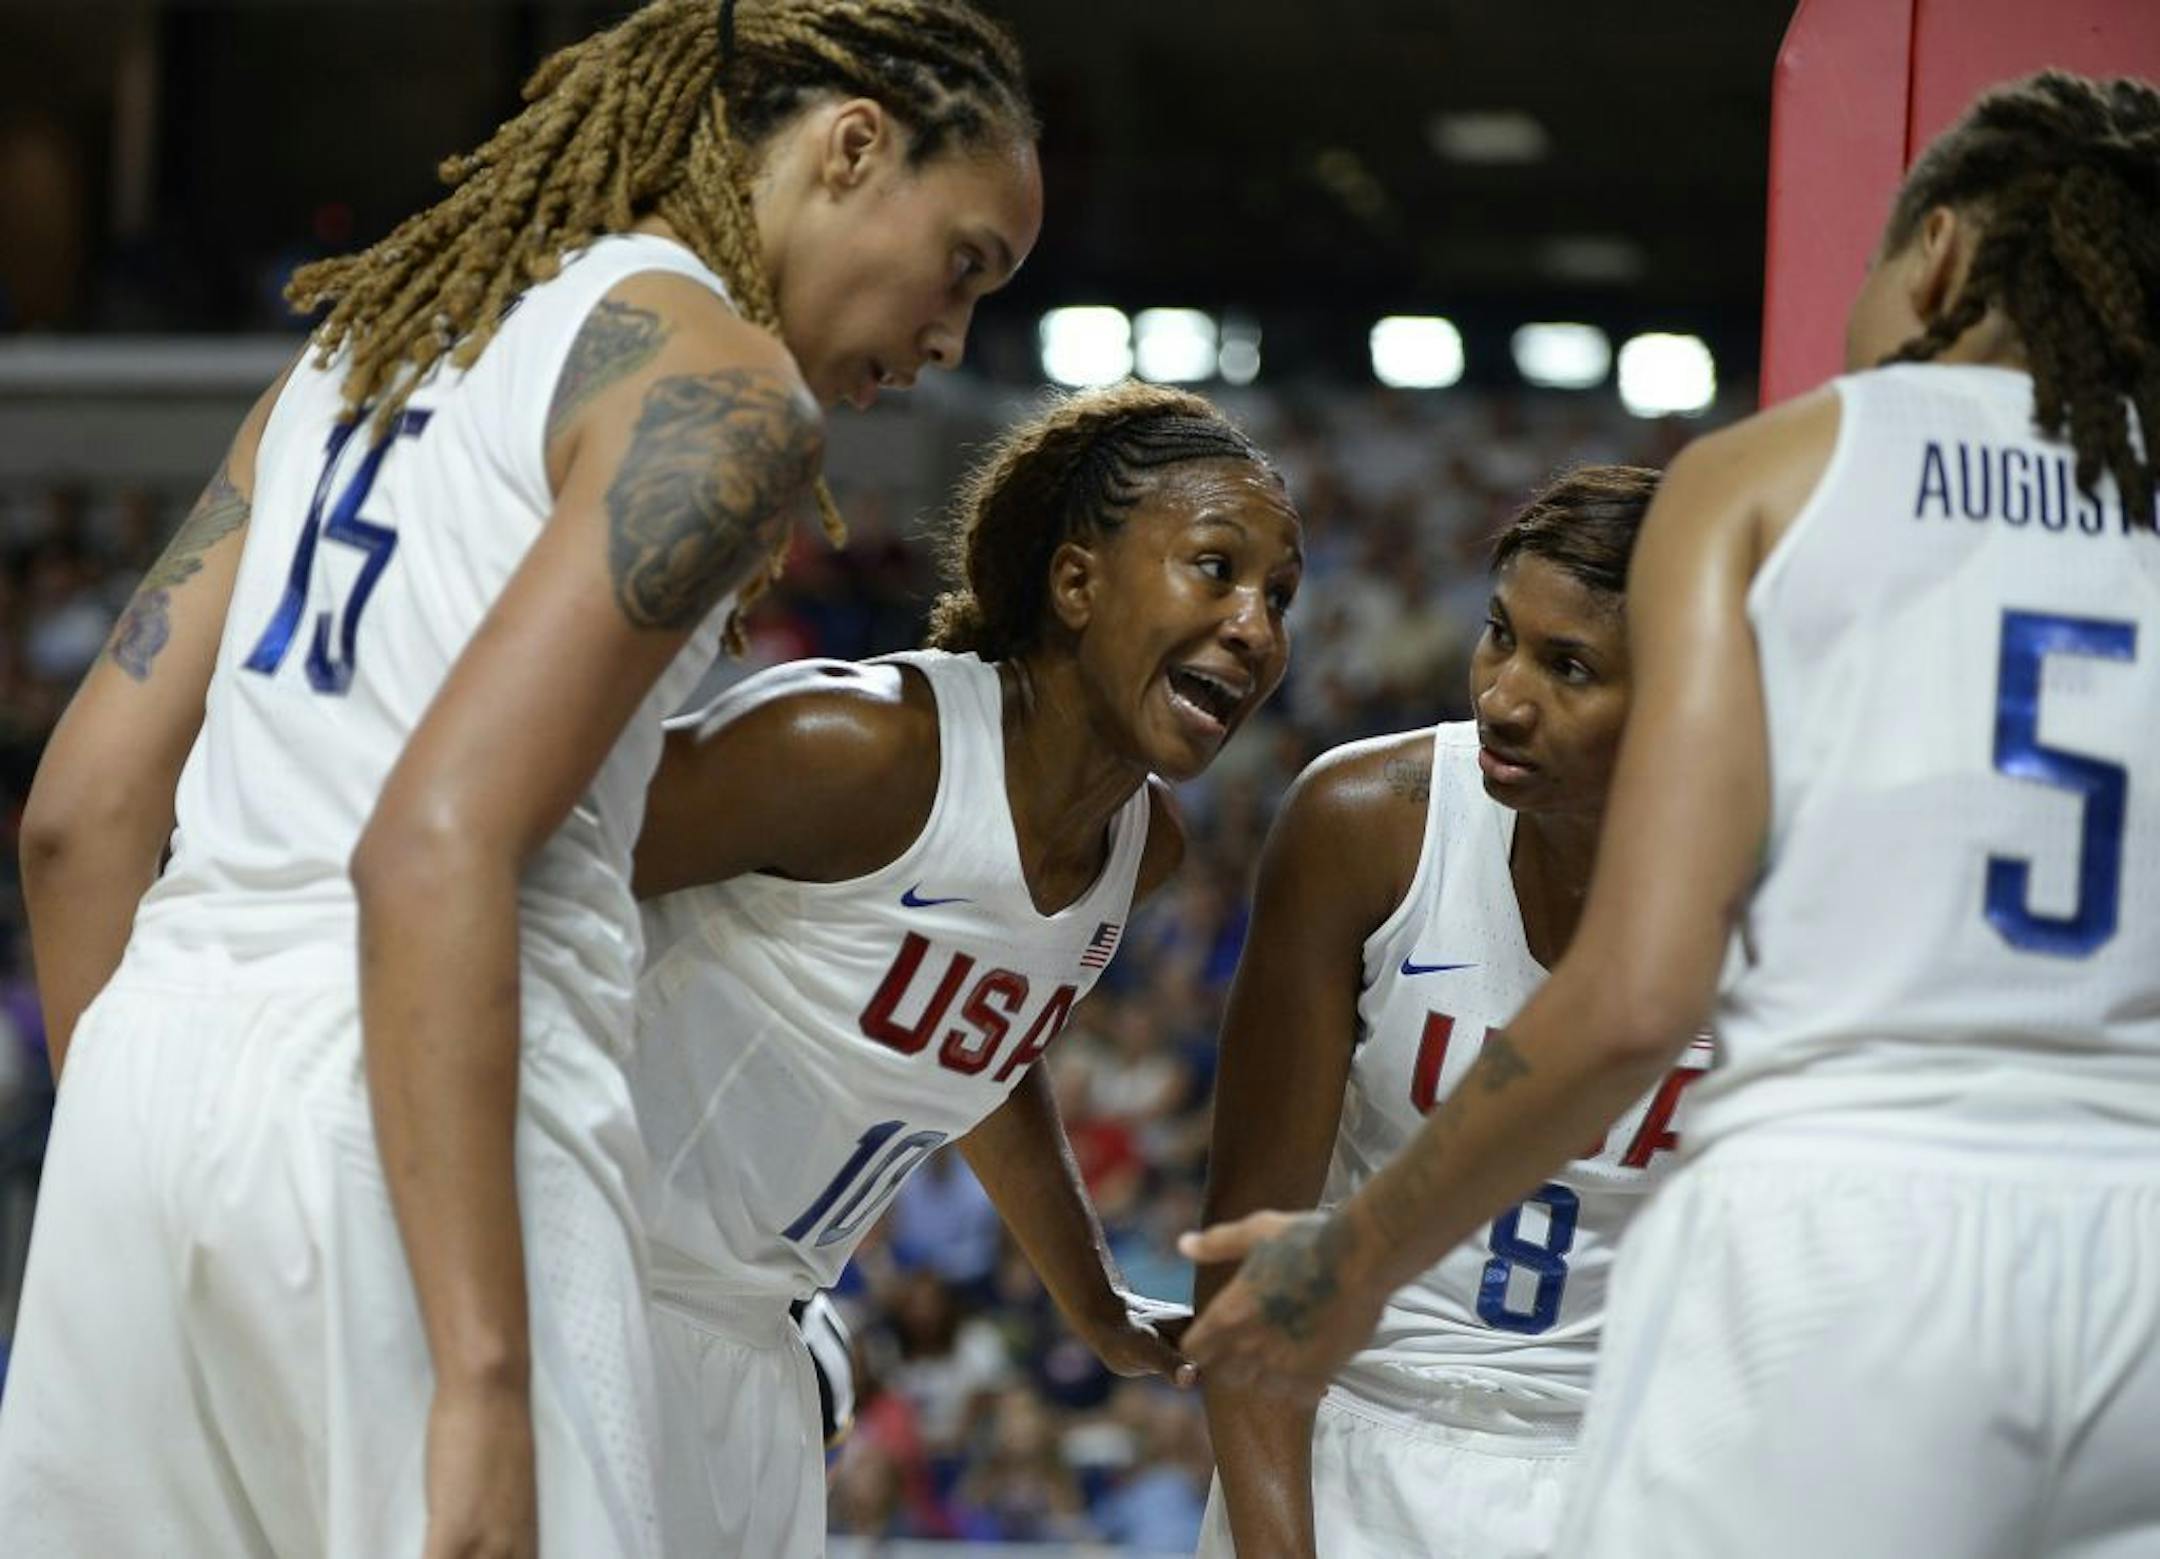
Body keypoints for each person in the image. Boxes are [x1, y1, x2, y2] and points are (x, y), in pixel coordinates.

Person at [0, 2, 1042, 1555]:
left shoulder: (357, 348)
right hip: (413, 1125)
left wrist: (158, 1160)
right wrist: (482, 1376)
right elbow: (431, 844)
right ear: (851, 147)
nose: (955, 335)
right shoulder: (727, 395)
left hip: (144, 1097)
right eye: (965, 262)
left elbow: (78, 818)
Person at [1180, 69, 2160, 1557]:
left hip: (1855, 1232)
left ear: (1940, 255)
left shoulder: (1784, 478)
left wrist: (1339, 1264)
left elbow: (1634, 997)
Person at [628, 380, 1306, 1556]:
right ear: (1076, 582)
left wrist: (1094, 1304)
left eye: (1281, 595)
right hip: (578, 1271)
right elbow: (513, 859)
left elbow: (986, 1042)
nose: (1257, 624)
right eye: (1215, 567)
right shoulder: (858, 746)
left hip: (753, 1334)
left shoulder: (1139, 848)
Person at [1194, 466, 1714, 1557]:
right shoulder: (1367, 821)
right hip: (1342, 1435)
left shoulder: (1777, 907)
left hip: (1630, 1469)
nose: (1502, 695)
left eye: (1568, 666)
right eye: (1500, 634)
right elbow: (1244, 1270)